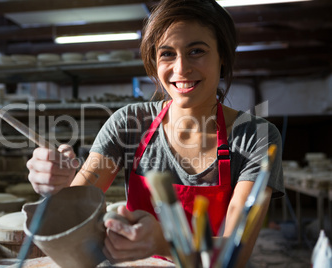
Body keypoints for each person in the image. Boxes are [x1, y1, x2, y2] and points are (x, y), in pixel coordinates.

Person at [26, 0, 285, 266]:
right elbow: (74, 212)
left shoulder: (255, 137)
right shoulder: (128, 123)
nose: (181, 68)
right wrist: (57, 185)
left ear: (223, 57)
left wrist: (164, 242)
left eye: (196, 51)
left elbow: (236, 254)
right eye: (167, 54)